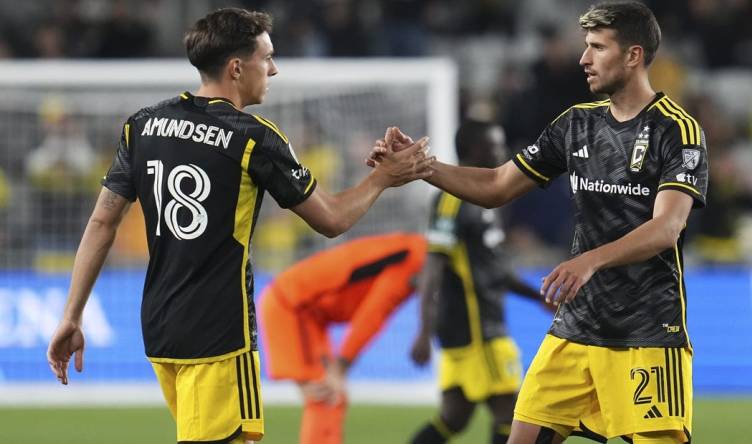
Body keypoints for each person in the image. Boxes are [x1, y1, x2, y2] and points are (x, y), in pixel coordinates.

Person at [46, 8, 432, 444]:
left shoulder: (143, 125)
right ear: (236, 67)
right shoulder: (254, 137)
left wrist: (71, 315)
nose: (274, 68)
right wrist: (384, 178)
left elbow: (102, 220)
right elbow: (332, 219)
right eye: (266, 57)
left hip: (160, 326)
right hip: (220, 333)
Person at [372, 2, 707, 443]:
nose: (584, 58)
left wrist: (588, 261)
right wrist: (421, 166)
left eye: (597, 47)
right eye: (585, 47)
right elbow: (496, 184)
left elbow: (667, 227)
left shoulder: (677, 131)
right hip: (575, 329)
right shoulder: (576, 124)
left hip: (645, 332)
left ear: (633, 55)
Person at [408, 120, 547, 444]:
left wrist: (536, 296)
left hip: (481, 326)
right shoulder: (452, 199)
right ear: (473, 150)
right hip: (477, 331)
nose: (502, 152)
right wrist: (424, 331)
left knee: (454, 418)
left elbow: (493, 270)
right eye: (494, 145)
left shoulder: (487, 199)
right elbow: (432, 268)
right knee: (513, 415)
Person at [258, 232, 427, 444]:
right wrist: (340, 367)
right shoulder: (414, 262)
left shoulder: (411, 249)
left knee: (331, 398)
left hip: (305, 311)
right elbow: (373, 315)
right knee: (327, 397)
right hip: (293, 306)